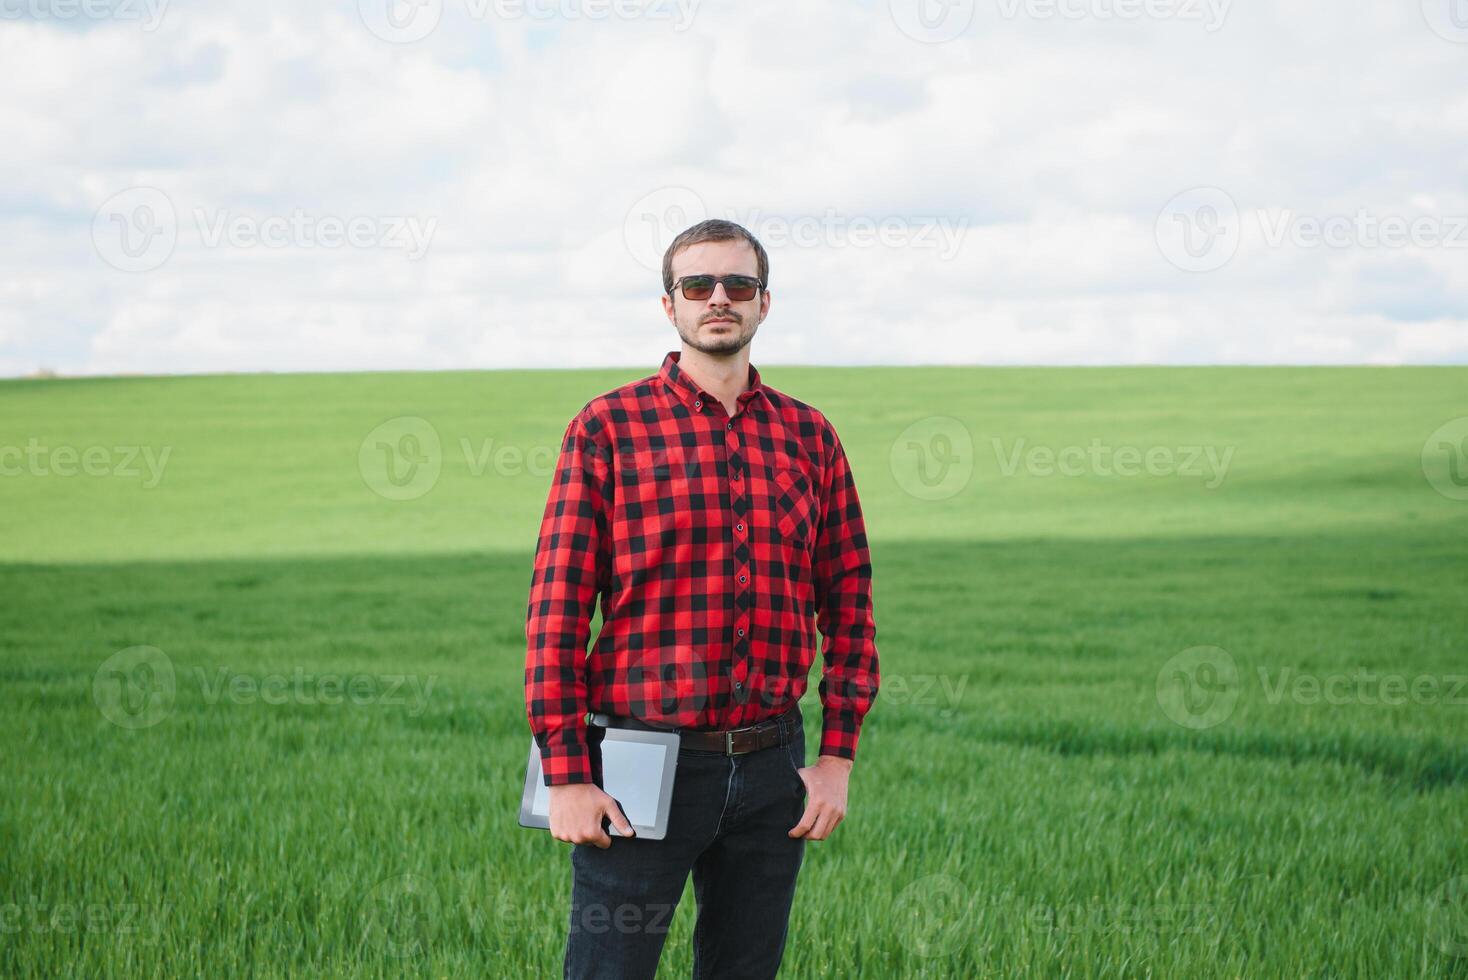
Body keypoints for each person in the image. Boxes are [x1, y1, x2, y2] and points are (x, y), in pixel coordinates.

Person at [525, 218, 880, 979]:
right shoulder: (607, 428)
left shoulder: (810, 438)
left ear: (763, 303)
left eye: (738, 285)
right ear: (670, 305)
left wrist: (837, 757)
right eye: (698, 285)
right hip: (636, 761)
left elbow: (848, 598)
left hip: (772, 767)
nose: (719, 298)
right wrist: (565, 773)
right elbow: (557, 609)